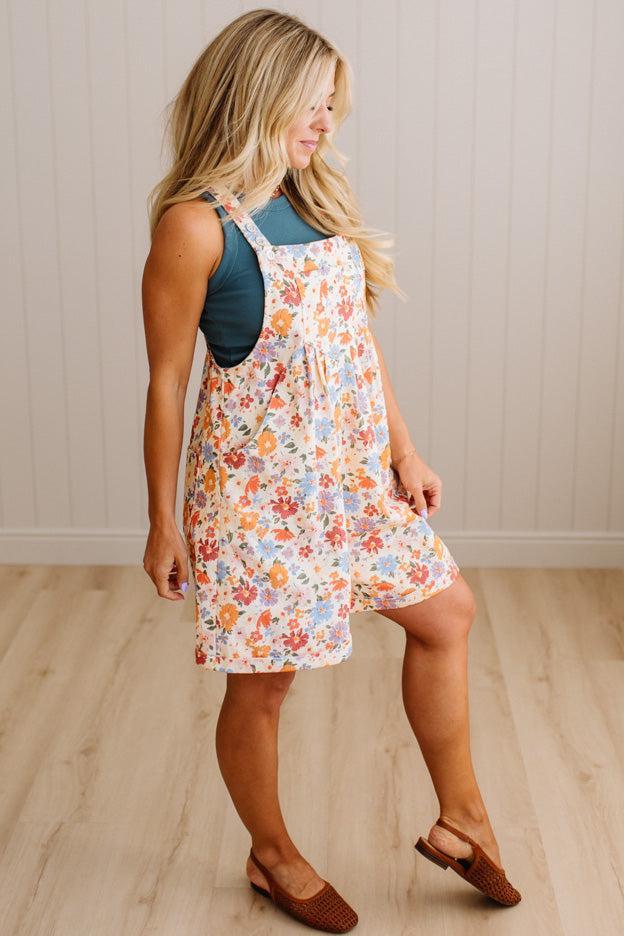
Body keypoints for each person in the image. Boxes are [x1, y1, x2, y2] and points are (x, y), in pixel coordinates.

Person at [141, 8, 521, 931]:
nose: (325, 125)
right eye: (312, 106)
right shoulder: (197, 228)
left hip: (352, 482)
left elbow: (356, 342)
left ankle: (464, 820)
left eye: (332, 108)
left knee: (447, 614)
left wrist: (403, 447)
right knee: (265, 685)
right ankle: (272, 856)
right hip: (259, 498)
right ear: (257, 99)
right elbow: (165, 383)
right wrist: (163, 522)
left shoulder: (315, 203)